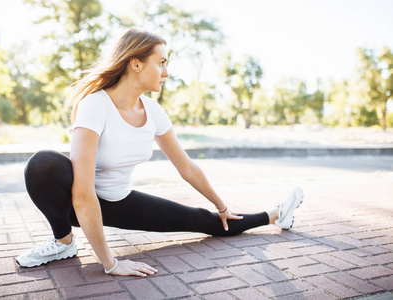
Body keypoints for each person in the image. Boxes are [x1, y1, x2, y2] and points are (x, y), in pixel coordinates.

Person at [16, 28, 303, 277]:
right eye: (161, 62)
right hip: (76, 202)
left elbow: (187, 167)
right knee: (44, 164)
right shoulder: (95, 106)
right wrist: (110, 263)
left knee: (204, 220)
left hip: (119, 201)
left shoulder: (153, 112)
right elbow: (82, 193)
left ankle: (276, 214)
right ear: (136, 64)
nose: (167, 72)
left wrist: (222, 206)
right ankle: (63, 242)